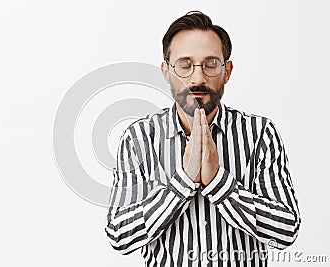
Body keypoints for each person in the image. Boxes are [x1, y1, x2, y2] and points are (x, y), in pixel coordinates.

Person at [105, 11, 300, 266]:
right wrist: (183, 182)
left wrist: (219, 183)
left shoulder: (259, 134)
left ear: (227, 71)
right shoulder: (139, 138)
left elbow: (286, 232)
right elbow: (120, 236)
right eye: (185, 65)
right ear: (166, 72)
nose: (198, 78)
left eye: (210, 64)